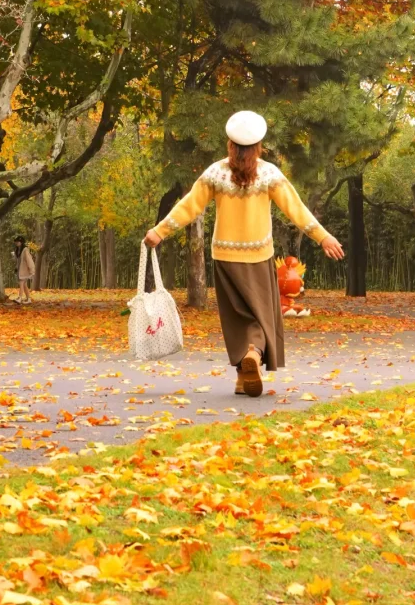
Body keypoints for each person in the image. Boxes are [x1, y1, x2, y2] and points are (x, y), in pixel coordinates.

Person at [144, 111, 344, 397]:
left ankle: (242, 375)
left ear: (230, 144)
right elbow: (296, 209)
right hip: (259, 256)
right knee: (261, 315)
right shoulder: (269, 174)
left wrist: (160, 231)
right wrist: (323, 236)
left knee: (237, 317)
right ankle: (252, 353)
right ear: (258, 146)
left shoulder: (215, 173)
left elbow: (189, 205)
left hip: (225, 257)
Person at [14, 235, 36, 303]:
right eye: (16, 242)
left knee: (21, 283)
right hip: (20, 270)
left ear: (21, 242)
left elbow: (29, 260)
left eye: (18, 242)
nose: (16, 243)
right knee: (24, 285)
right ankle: (28, 299)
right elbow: (18, 261)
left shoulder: (25, 249)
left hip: (25, 270)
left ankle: (20, 298)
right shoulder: (18, 250)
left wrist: (32, 269)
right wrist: (16, 268)